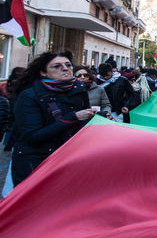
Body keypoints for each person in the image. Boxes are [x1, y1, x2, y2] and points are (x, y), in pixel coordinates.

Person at [11, 51, 96, 186]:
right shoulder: (29, 95)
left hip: (69, 157)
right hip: (36, 160)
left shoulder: (78, 88)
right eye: (57, 66)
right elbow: (32, 137)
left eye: (68, 65)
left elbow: (81, 125)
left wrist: (97, 119)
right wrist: (72, 118)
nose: (65, 68)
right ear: (43, 73)